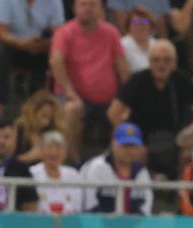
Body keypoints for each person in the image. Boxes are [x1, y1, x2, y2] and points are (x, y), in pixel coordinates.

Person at [109, 40, 193, 177]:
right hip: (140, 139)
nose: (161, 65)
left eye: (167, 60)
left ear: (174, 63)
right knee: (129, 150)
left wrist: (192, 135)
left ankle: (179, 193)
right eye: (156, 60)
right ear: (149, 62)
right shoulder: (138, 79)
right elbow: (113, 113)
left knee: (189, 154)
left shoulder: (183, 81)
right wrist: (128, 134)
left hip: (177, 138)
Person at [50, 0, 130, 157]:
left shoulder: (111, 32)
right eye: (83, 4)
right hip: (74, 96)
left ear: (101, 9)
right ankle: (73, 160)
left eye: (92, 4)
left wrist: (125, 97)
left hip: (109, 99)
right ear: (74, 8)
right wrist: (69, 91)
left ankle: (117, 161)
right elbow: (56, 61)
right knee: (71, 109)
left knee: (125, 112)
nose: (87, 8)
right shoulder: (64, 32)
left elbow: (122, 67)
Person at [0, 0, 63, 105]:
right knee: (1, 53)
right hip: (1, 42)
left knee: (54, 53)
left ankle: (39, 103)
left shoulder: (54, 2)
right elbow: (1, 33)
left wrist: (46, 44)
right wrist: (23, 44)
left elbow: (59, 33)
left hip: (34, 42)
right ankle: (0, 105)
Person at [79, 121, 153, 214]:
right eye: (125, 145)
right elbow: (90, 205)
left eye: (133, 146)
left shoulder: (142, 172)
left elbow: (145, 209)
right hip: (99, 224)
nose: (129, 150)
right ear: (113, 143)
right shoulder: (97, 167)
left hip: (133, 226)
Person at [29, 130, 85, 214]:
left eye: (59, 147)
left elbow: (78, 208)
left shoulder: (73, 175)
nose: (53, 152)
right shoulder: (31, 174)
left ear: (66, 152)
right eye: (49, 147)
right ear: (41, 150)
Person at [15, 90, 63, 164]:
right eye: (43, 116)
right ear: (32, 112)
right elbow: (7, 162)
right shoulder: (18, 131)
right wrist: (30, 156)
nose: (46, 122)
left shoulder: (52, 132)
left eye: (50, 118)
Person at [120, 6, 158, 73]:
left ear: (151, 25)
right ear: (129, 26)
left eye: (144, 21)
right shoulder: (122, 45)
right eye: (135, 22)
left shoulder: (157, 45)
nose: (140, 25)